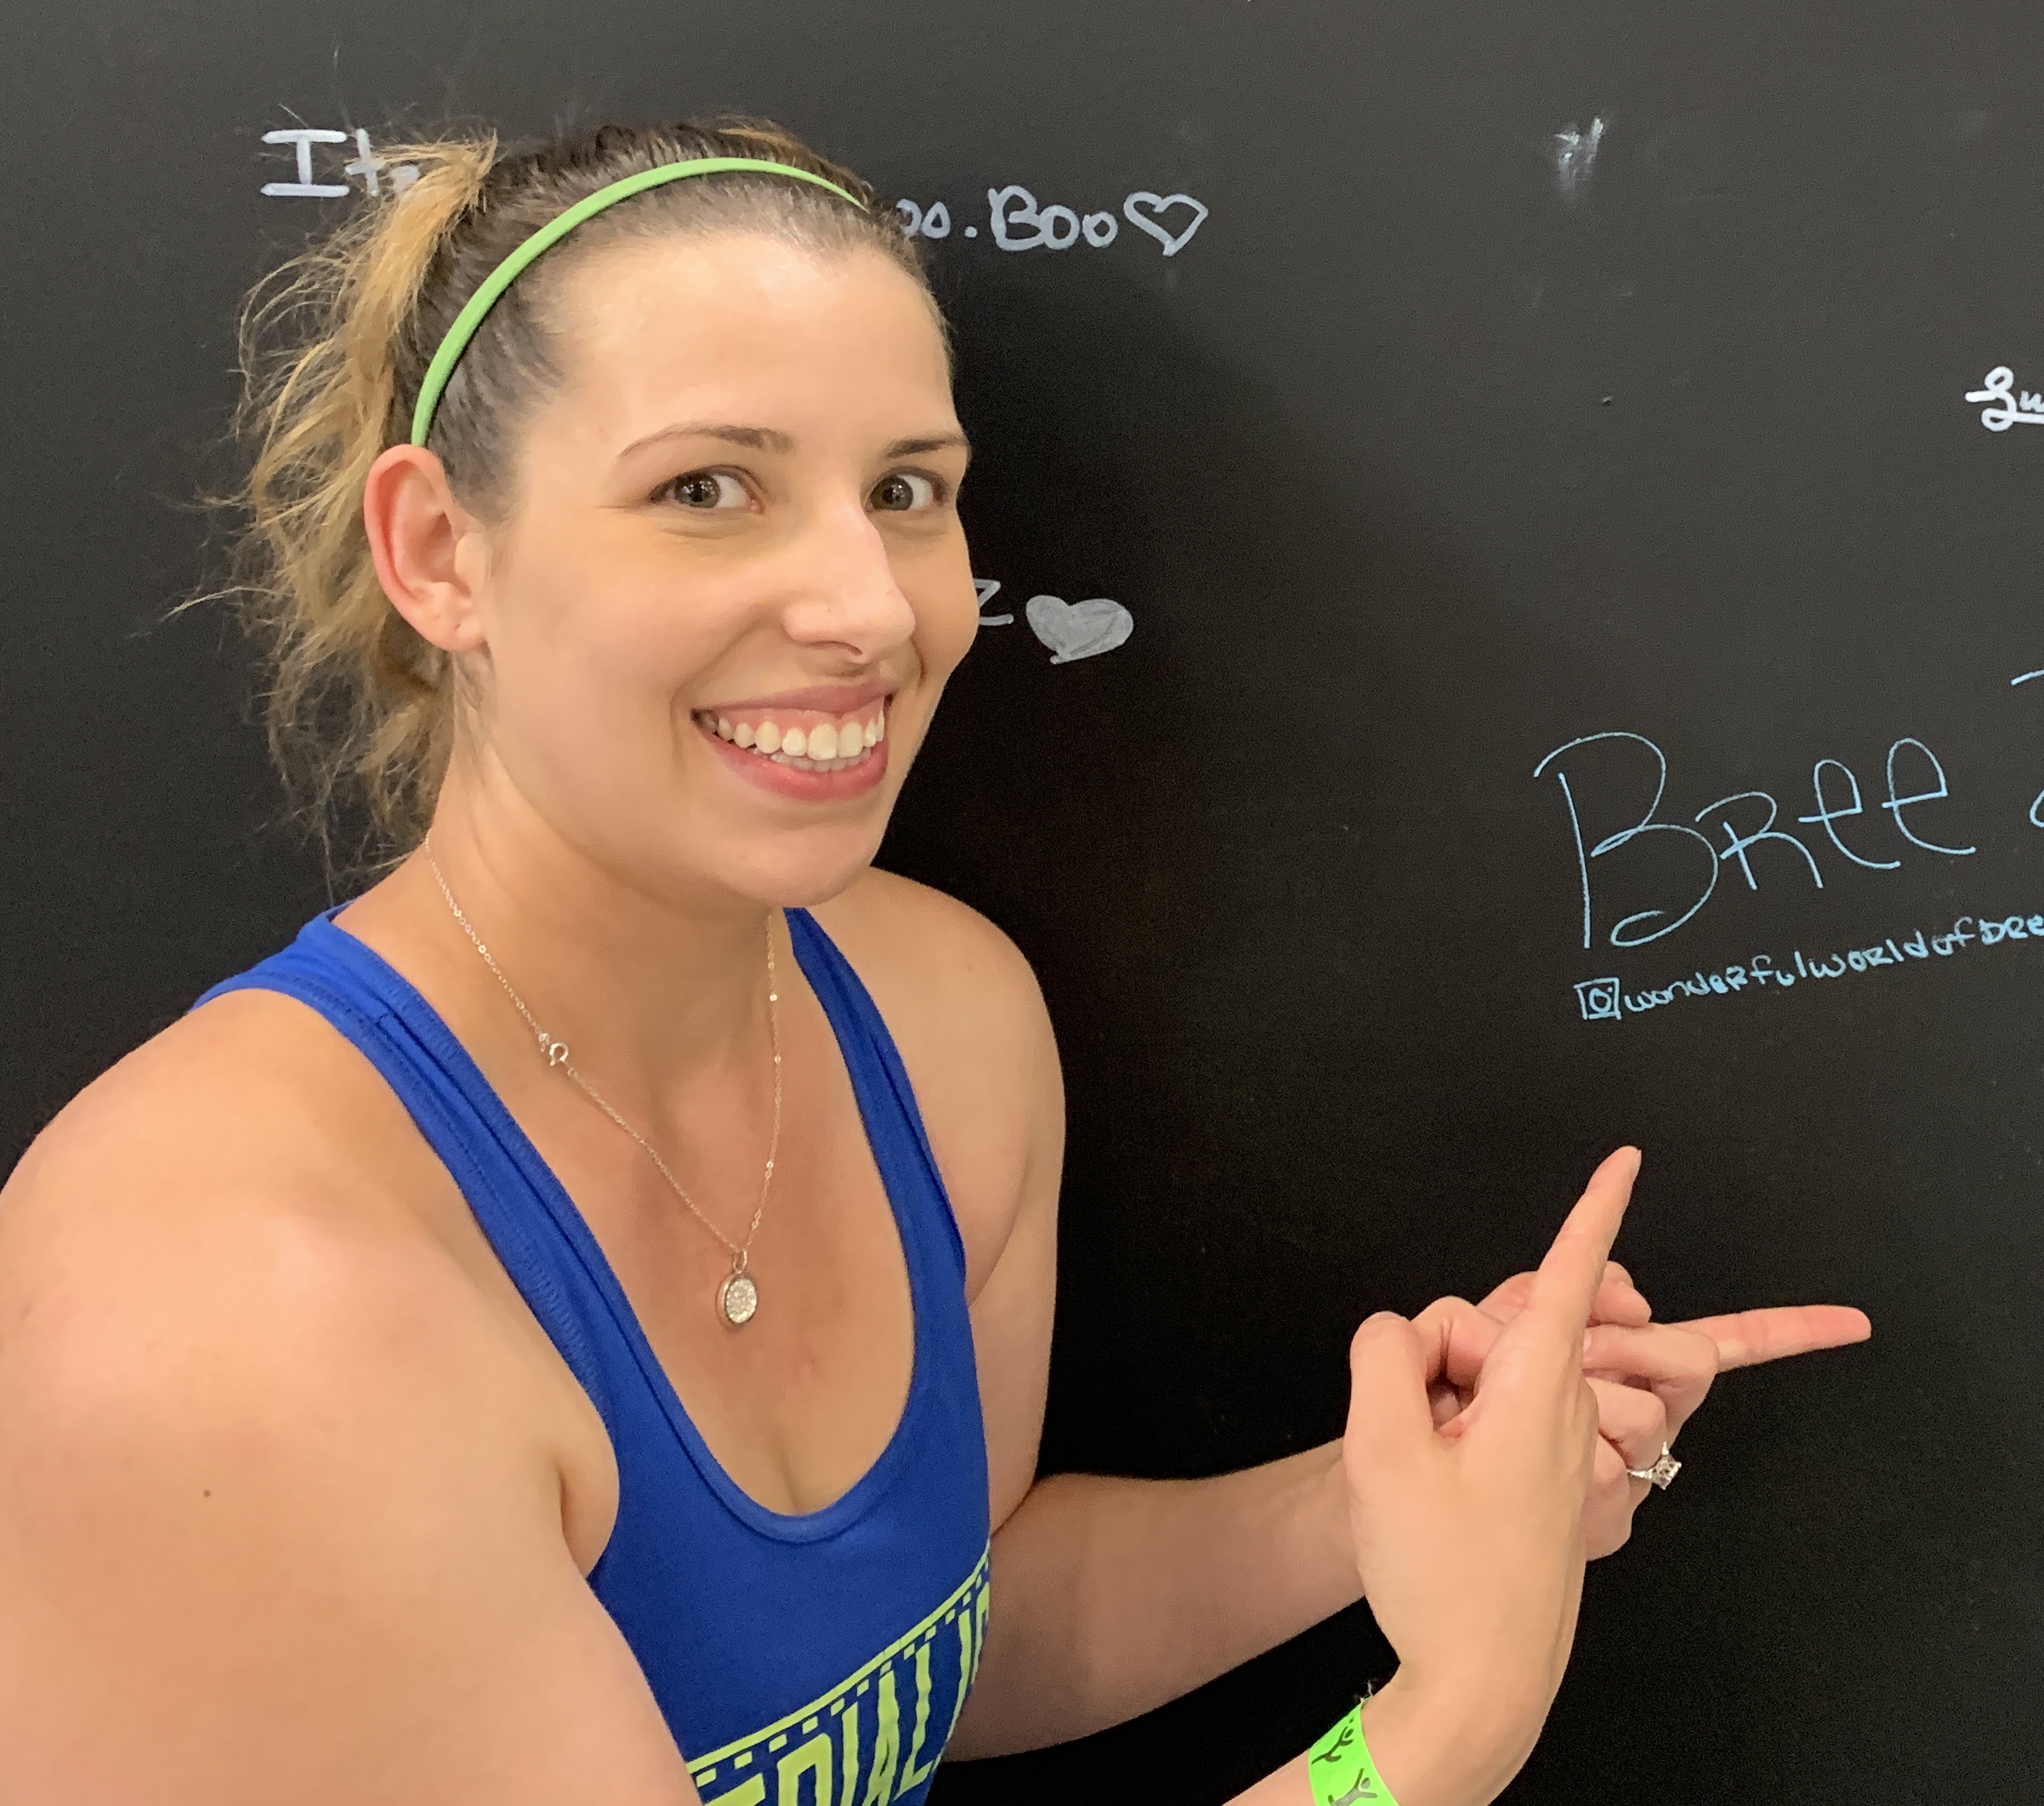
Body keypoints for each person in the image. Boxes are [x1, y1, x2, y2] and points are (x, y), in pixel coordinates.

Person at [0, 120, 1867, 1804]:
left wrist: (1399, 1507)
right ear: (439, 553)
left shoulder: (935, 1015)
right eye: (708, 489)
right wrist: (1442, 1720)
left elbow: (934, 1647)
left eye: (907, 489)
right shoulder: (236, 1317)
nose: (869, 607)